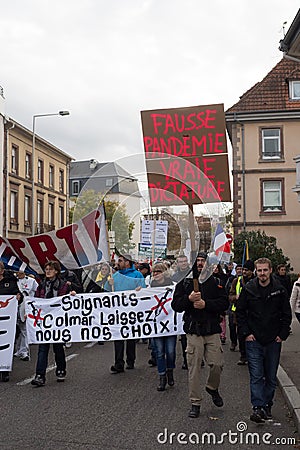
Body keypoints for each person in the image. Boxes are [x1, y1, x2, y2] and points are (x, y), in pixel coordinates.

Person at [171, 252, 228, 418]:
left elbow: (224, 303)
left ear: (208, 264)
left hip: (212, 330)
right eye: (198, 261)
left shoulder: (216, 282)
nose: (200, 264)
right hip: (193, 330)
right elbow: (176, 305)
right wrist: (188, 299)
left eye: (203, 261)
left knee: (217, 364)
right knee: (194, 368)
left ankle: (212, 387)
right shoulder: (185, 282)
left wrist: (206, 304)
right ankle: (195, 402)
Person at [236, 257, 292, 423]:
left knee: (271, 376)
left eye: (265, 270)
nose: (262, 273)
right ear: (255, 271)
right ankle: (258, 407)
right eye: (259, 270)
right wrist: (246, 333)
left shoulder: (279, 290)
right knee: (256, 375)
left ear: (270, 270)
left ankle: (267, 405)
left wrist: (282, 335)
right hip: (254, 339)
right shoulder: (249, 289)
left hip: (273, 340)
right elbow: (240, 312)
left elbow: (286, 314)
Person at [31, 261, 75, 387]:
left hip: (58, 321)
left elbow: (67, 300)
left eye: (50, 269)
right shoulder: (42, 285)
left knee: (58, 347)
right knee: (43, 348)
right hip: (44, 321)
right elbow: (36, 300)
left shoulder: (63, 285)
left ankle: (61, 370)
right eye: (46, 269)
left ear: (56, 271)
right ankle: (40, 375)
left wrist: (72, 295)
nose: (48, 271)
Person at [105, 254, 146, 373]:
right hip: (118, 311)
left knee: (130, 337)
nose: (118, 262)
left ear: (127, 262)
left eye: (121, 261)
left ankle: (130, 360)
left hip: (132, 310)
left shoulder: (137, 275)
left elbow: (143, 289)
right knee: (118, 337)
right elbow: (107, 292)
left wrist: (140, 290)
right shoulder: (115, 275)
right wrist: (109, 284)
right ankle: (118, 363)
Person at [149, 263, 176, 391]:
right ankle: (162, 377)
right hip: (156, 326)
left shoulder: (173, 285)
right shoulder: (150, 287)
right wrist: (139, 291)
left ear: (164, 272)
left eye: (158, 272)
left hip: (170, 325)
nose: (156, 274)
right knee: (159, 352)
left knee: (170, 352)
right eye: (154, 272)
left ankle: (170, 370)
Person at [0, 261, 22, 382]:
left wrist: (19, 297)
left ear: (2, 270)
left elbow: (18, 295)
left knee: (5, 343)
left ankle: (4, 370)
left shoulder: (11, 281)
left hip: (6, 320)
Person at [229, 259, 255, 361]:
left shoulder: (255, 281)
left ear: (252, 271)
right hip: (238, 312)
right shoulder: (237, 281)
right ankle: (243, 355)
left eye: (247, 270)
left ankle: (252, 355)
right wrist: (236, 297)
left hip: (252, 313)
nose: (244, 272)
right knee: (241, 333)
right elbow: (230, 296)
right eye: (243, 269)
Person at [14, 271, 39, 361]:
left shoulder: (31, 281)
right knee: (18, 329)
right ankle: (18, 349)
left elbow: (38, 292)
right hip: (15, 307)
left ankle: (24, 351)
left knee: (24, 329)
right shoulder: (13, 281)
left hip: (26, 308)